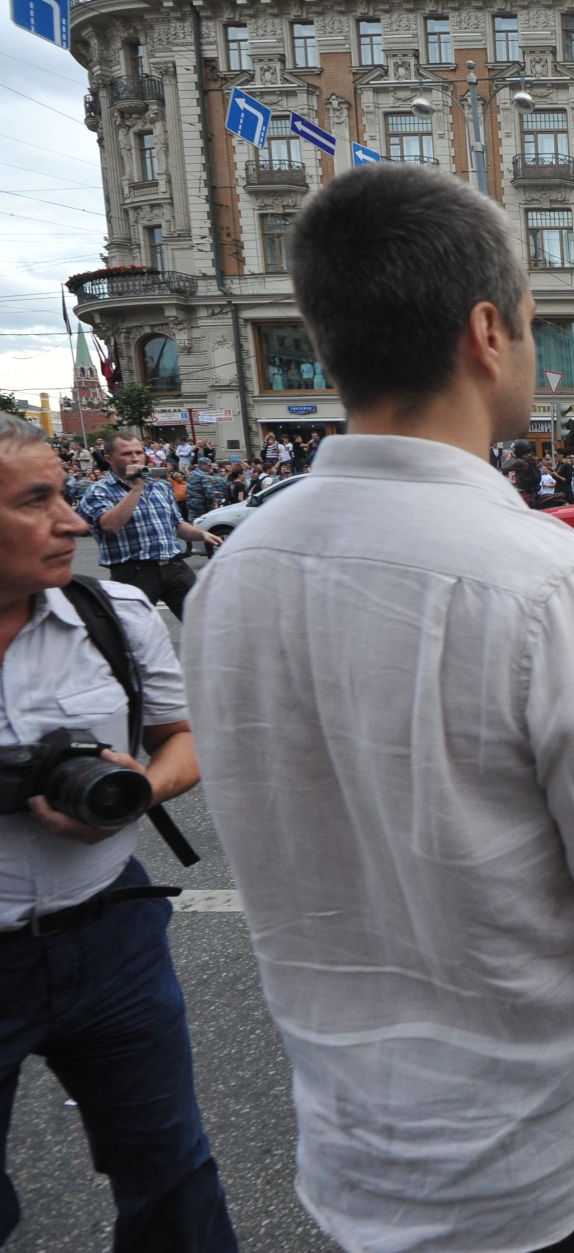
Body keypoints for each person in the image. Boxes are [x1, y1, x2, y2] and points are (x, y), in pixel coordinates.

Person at [180, 162, 574, 1253]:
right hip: (563, 1161)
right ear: (486, 332)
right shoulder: (556, 582)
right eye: (531, 320)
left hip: (360, 1153)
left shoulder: (234, 573)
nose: (535, 345)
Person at [0, 413, 239, 1251]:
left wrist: (138, 785)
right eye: (37, 501)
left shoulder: (115, 615)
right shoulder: (109, 511)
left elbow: (187, 737)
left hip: (110, 933)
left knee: (171, 1168)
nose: (67, 520)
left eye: (63, 495)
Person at [75, 431, 224, 624]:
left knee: (205, 625)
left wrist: (202, 534)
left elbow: (176, 525)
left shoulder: (160, 487)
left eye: (139, 452)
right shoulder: (98, 491)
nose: (135, 457)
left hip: (174, 566)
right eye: (127, 453)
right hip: (134, 571)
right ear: (109, 458)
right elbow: (110, 525)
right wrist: (136, 488)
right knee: (131, 634)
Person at [504, 437, 540, 505]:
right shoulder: (531, 458)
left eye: (515, 449)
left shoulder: (520, 462)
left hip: (523, 494)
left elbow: (504, 470)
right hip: (531, 492)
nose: (514, 450)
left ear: (519, 450)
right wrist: (514, 456)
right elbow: (523, 461)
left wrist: (507, 459)